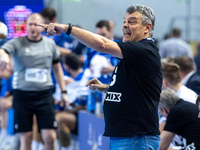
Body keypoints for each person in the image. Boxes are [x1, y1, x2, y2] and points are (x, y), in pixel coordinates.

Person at [38, 4, 162, 149]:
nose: (125, 26)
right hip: (126, 136)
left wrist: (67, 29)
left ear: (147, 27)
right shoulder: (135, 55)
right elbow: (135, 89)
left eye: (132, 22)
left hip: (137, 138)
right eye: (124, 21)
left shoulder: (144, 50)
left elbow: (102, 45)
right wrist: (106, 88)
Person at [0, 13, 69, 150]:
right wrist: (4, 57)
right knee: (26, 138)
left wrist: (63, 91)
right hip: (22, 96)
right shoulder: (16, 42)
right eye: (30, 24)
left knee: (50, 138)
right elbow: (3, 50)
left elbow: (57, 70)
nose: (33, 27)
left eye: (36, 24)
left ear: (42, 26)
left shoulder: (50, 44)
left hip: (44, 96)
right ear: (26, 26)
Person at [53, 53, 91, 149]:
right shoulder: (67, 80)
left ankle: (66, 148)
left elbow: (84, 105)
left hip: (84, 115)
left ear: (66, 66)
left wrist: (68, 109)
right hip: (73, 111)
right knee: (47, 116)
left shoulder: (87, 76)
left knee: (60, 118)